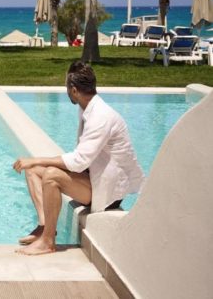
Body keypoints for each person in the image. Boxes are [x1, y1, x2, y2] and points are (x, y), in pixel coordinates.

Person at [12, 61, 144, 256]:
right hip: (93, 179)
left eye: (67, 87)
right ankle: (44, 226)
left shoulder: (101, 116)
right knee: (33, 171)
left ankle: (48, 242)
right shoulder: (88, 108)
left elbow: (79, 161)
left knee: (51, 175)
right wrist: (34, 163)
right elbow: (82, 159)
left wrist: (37, 159)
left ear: (73, 90)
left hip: (107, 194)